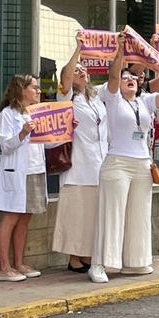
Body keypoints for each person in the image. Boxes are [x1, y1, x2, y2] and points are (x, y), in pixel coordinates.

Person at [89, 39, 159, 283]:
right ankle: (99, 264)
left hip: (142, 164)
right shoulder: (113, 98)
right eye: (127, 77)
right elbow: (114, 76)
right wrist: (119, 52)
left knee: (139, 214)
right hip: (117, 162)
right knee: (112, 214)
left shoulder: (145, 100)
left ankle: (136, 262)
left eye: (135, 78)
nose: (131, 80)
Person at [51, 45, 110, 271]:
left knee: (92, 215)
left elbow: (116, 79)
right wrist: (78, 49)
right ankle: (73, 258)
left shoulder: (96, 96)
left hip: (99, 164)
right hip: (78, 165)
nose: (81, 71)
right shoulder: (66, 96)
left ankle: (86, 254)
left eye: (83, 68)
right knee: (76, 214)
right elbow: (65, 78)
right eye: (76, 70)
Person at [0, 75, 47, 282]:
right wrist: (22, 133)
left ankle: (19, 263)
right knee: (11, 218)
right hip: (16, 172)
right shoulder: (7, 115)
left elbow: (45, 143)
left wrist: (66, 129)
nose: (39, 91)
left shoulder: (37, 113)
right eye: (34, 87)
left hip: (34, 170)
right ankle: (3, 267)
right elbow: (6, 146)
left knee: (25, 218)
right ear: (21, 90)